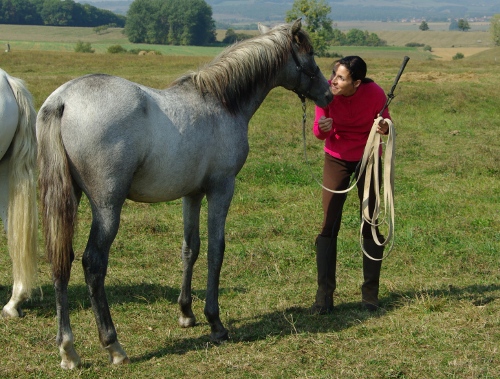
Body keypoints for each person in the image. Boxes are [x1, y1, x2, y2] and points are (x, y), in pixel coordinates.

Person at [311, 55, 391, 314]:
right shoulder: (325, 92)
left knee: (371, 222)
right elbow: (318, 131)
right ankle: (324, 296)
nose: (333, 80)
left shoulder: (375, 93)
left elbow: (387, 121)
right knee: (328, 225)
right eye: (334, 74)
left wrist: (384, 127)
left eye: (341, 78)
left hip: (368, 157)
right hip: (336, 159)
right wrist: (323, 128)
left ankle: (370, 296)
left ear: (356, 83)